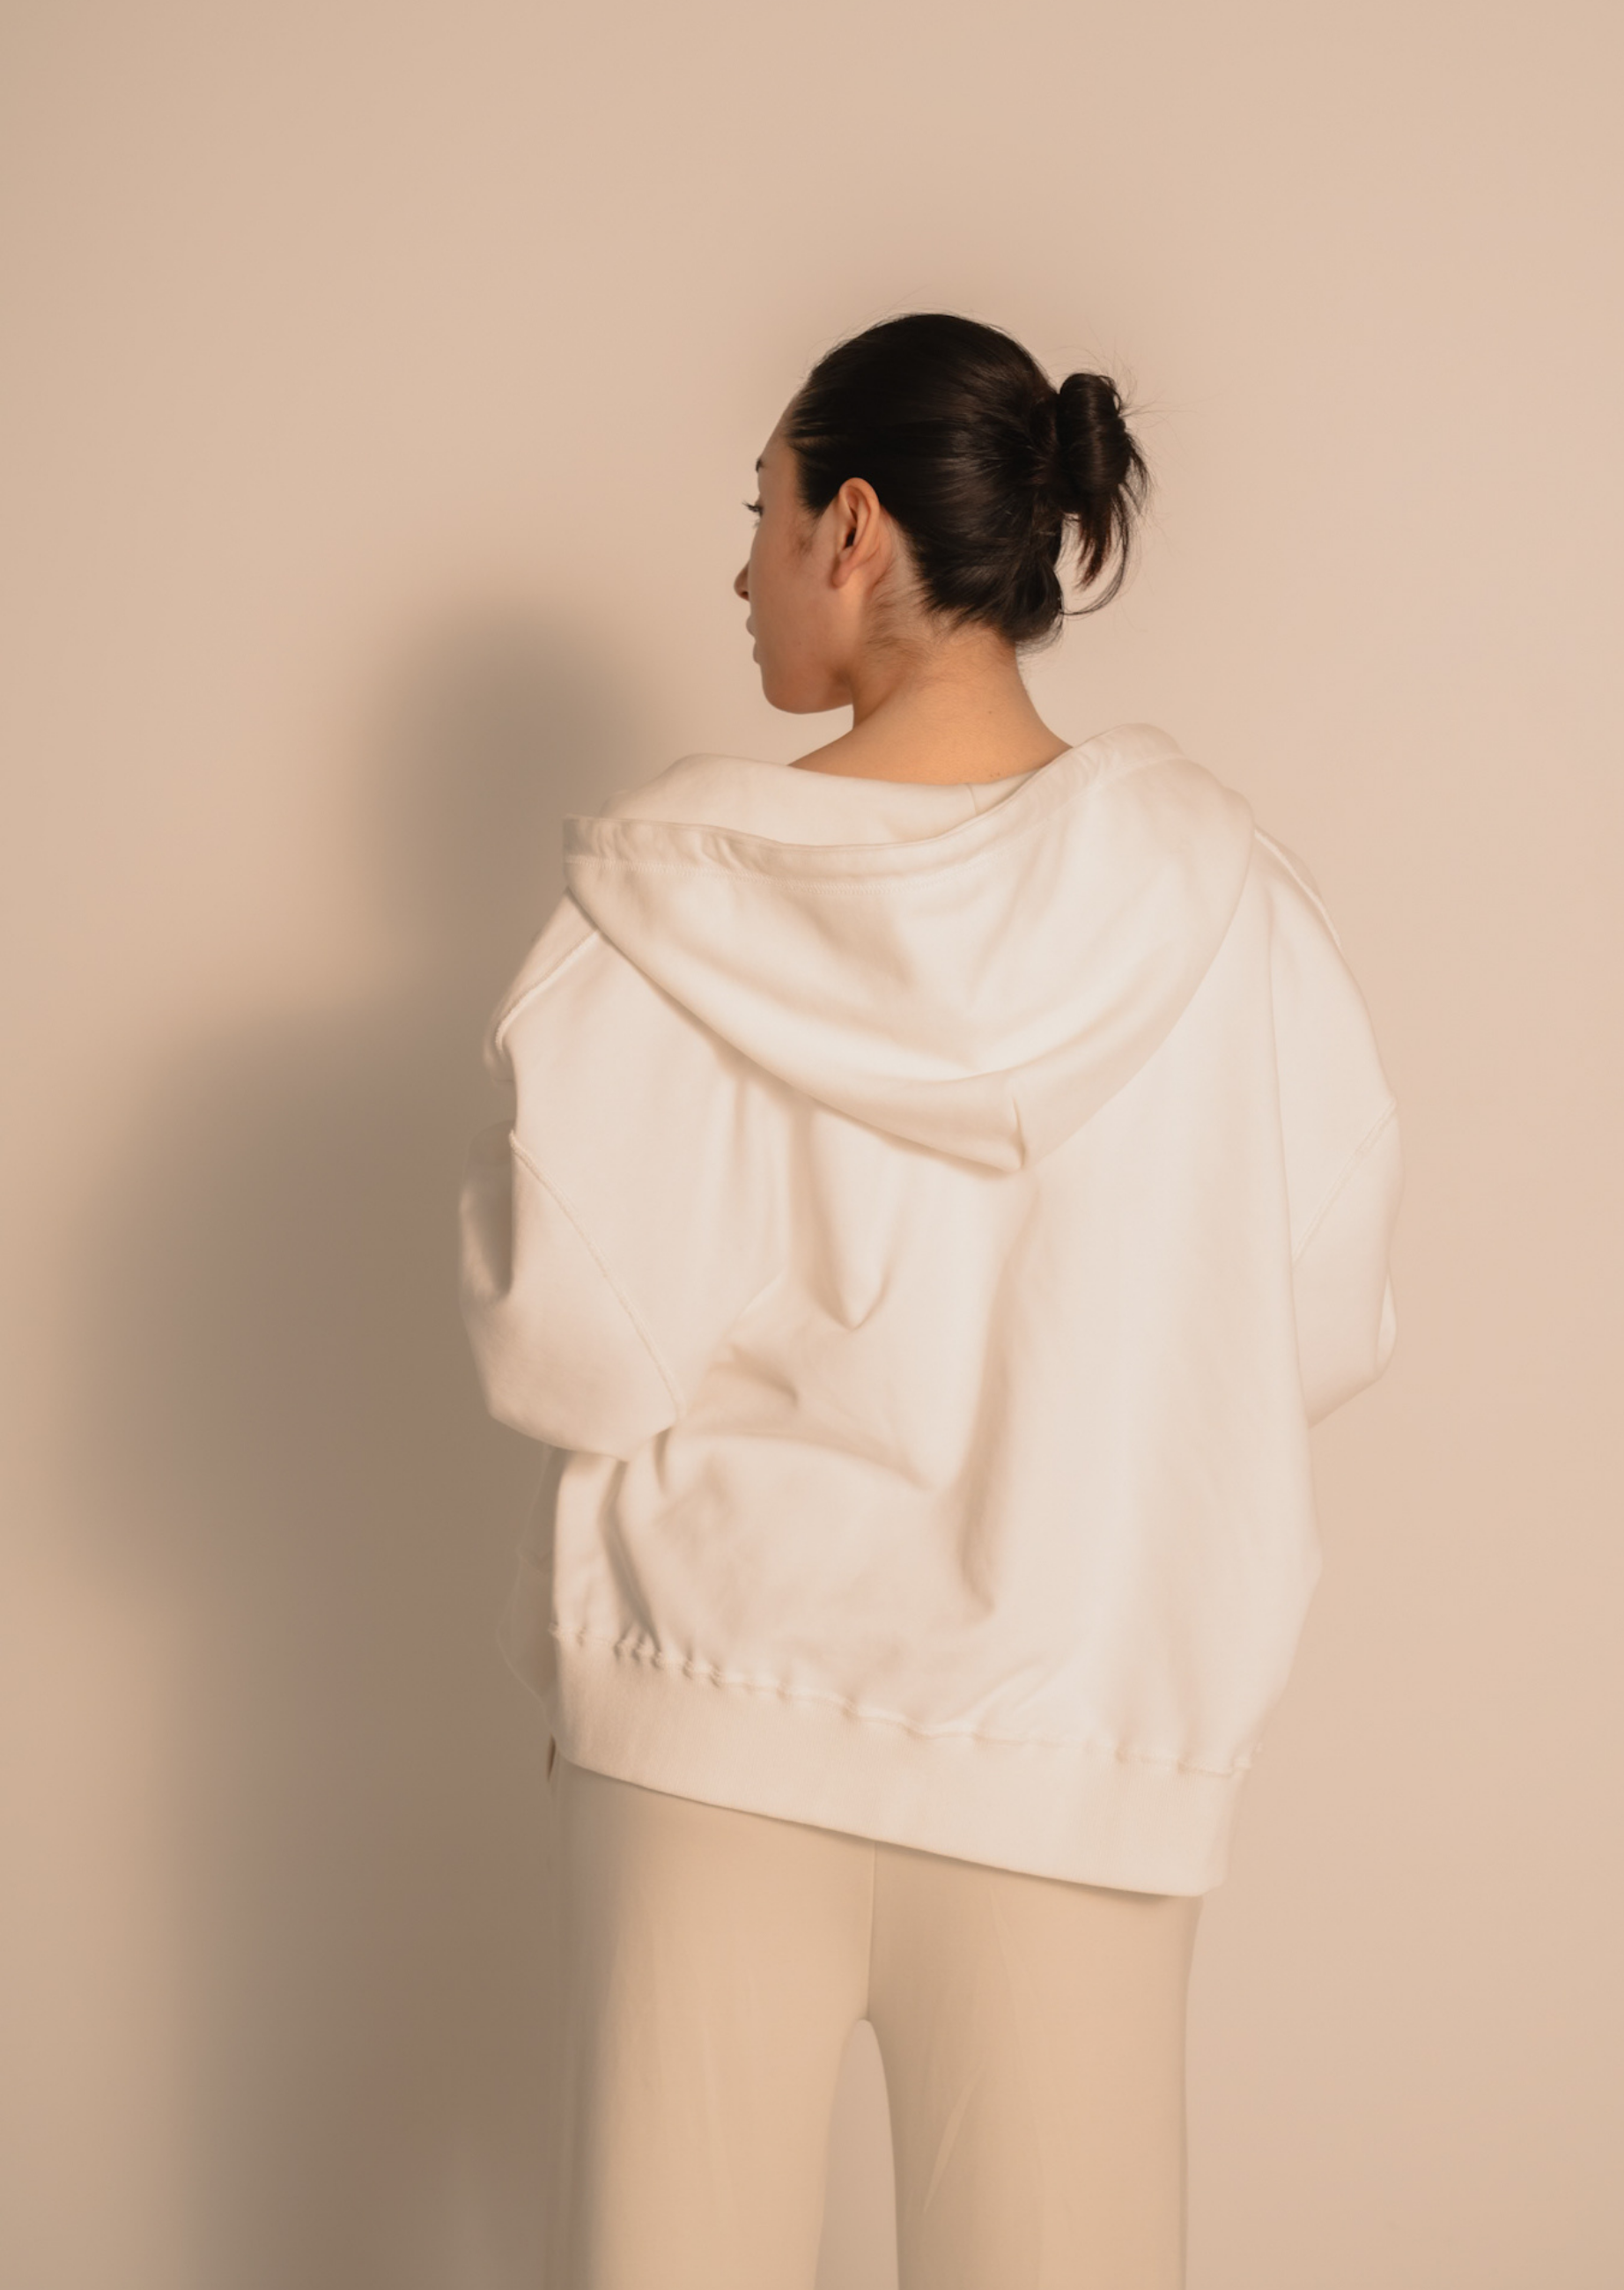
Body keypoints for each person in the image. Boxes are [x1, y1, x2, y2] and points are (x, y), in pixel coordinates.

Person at [458, 312, 1402, 2290]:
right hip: (1079, 1749)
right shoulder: (1234, 910)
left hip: (713, 1733)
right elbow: (1313, 1325)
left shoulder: (662, 904)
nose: (739, 571)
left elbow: (570, 1348)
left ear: (852, 528)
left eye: (760, 513)